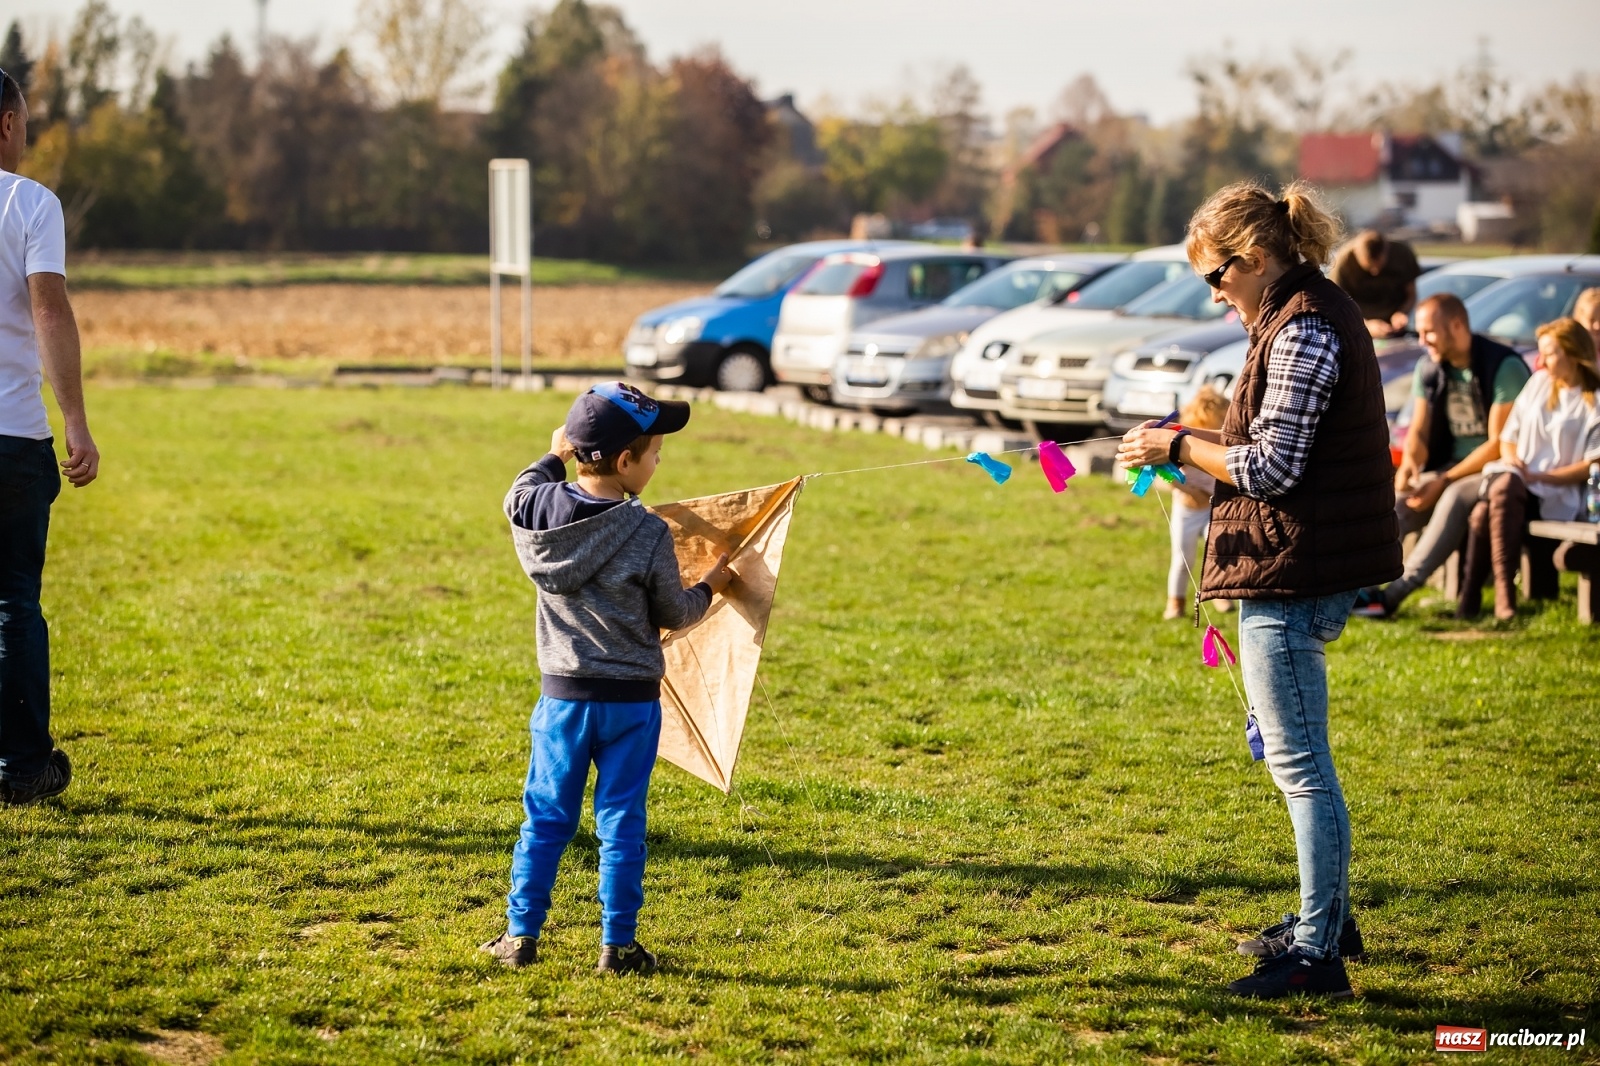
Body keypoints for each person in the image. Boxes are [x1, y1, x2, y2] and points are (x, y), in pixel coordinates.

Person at [1118, 181, 1400, 999]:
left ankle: (1319, 955)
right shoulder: (1289, 315)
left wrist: (1181, 445)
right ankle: (1328, 918)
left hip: (1295, 571)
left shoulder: (1305, 324)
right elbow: (1256, 439)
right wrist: (1180, 442)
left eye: (1217, 277)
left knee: (1301, 765)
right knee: (1297, 761)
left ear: (1255, 258)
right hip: (1288, 567)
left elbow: (1274, 468)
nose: (1214, 295)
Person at [480, 383, 735, 976]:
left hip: (563, 699)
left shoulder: (535, 510)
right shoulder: (646, 532)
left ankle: (521, 937)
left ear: (576, 450)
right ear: (625, 463)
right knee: (621, 822)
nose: (658, 463)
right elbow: (674, 613)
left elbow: (520, 490)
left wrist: (553, 455)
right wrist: (712, 586)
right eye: (653, 454)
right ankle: (617, 948)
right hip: (630, 705)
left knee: (546, 818)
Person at [0, 68, 99, 807]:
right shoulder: (29, 203)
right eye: (27, 120)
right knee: (12, 605)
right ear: (7, 123)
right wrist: (74, 420)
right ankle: (24, 765)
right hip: (11, 438)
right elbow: (50, 313)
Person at [1353, 293, 1529, 618]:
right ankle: (1360, 591)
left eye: (1429, 332)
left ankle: (1391, 597)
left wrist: (1444, 480)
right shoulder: (1430, 367)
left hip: (1497, 471)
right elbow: (1419, 430)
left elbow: (1498, 443)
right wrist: (1410, 465)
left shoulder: (1503, 366)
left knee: (1450, 498)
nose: (1422, 341)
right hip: (1448, 468)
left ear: (1457, 325)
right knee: (1395, 503)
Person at [1457, 319, 1600, 620]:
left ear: (1572, 353)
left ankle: (1475, 601)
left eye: (1549, 353)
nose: (1541, 361)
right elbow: (1509, 437)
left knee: (1485, 512)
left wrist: (1539, 476)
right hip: (1518, 482)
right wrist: (1515, 464)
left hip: (1558, 493)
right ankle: (1500, 598)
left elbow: (1593, 464)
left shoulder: (1594, 399)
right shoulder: (1538, 383)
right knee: (1507, 486)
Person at [1164, 385, 1231, 620]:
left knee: (1219, 550)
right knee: (1183, 558)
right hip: (1188, 509)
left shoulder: (1219, 443)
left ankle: (1219, 593)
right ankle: (1176, 602)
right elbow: (1167, 476)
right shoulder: (1187, 443)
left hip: (1214, 507)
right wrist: (1189, 491)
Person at [1330, 230, 1421, 338]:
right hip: (1357, 330)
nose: (1375, 272)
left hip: (1395, 329)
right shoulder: (1343, 262)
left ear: (1386, 251)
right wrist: (1365, 325)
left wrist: (1402, 313)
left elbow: (1411, 294)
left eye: (1379, 265)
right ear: (1356, 253)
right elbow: (1338, 306)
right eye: (1369, 267)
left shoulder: (1402, 254)